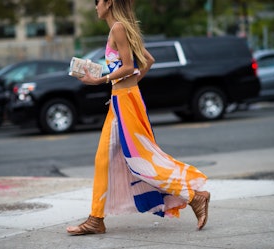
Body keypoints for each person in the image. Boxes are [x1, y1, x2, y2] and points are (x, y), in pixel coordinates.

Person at [66, 0, 210, 235]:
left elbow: (130, 65)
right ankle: (96, 218)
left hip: (124, 103)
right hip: (122, 100)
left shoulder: (118, 28)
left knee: (142, 161)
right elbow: (148, 61)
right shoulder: (124, 27)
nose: (95, 7)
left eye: (97, 2)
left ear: (109, 2)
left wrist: (99, 79)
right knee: (103, 159)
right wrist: (127, 87)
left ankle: (195, 196)